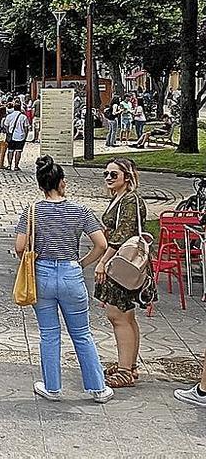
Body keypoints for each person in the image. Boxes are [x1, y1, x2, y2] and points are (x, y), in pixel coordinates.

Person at [15, 155, 114, 403]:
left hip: (42, 273)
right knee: (81, 333)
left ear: (40, 185)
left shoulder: (32, 211)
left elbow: (19, 247)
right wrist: (82, 263)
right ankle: (97, 387)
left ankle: (52, 387)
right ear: (63, 182)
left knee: (49, 333)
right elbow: (101, 244)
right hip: (71, 272)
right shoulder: (81, 210)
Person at [94, 158, 156, 388]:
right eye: (106, 174)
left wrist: (103, 261)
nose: (109, 178)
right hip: (122, 263)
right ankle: (129, 365)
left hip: (123, 265)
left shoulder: (130, 200)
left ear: (127, 177)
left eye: (114, 175)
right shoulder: (119, 198)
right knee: (126, 316)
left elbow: (122, 234)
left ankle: (124, 370)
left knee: (118, 316)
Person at [3, 102, 30, 171]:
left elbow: (5, 125)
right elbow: (26, 127)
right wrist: (26, 135)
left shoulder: (9, 116)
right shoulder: (23, 117)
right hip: (20, 136)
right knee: (18, 151)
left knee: (10, 151)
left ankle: (9, 165)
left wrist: (8, 132)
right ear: (20, 108)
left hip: (11, 136)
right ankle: (16, 166)